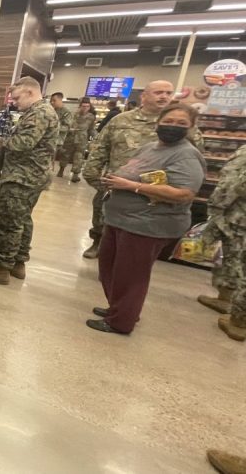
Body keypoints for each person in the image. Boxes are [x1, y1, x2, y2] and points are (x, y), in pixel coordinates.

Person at [87, 103, 205, 335]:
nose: (173, 127)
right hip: (121, 219)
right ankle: (120, 309)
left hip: (147, 224)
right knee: (110, 268)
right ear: (159, 122)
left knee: (131, 275)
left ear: (191, 127)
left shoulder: (186, 154)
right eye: (169, 121)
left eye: (182, 123)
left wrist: (133, 186)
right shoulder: (151, 147)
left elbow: (184, 193)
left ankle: (121, 321)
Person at [82, 81, 203, 259]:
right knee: (103, 216)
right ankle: (98, 241)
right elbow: (101, 148)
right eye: (158, 92)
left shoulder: (180, 126)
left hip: (155, 196)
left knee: (135, 253)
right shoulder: (121, 120)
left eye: (168, 93)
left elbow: (193, 161)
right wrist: (95, 179)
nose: (164, 96)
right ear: (144, 96)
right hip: (116, 184)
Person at [0, 76, 59, 285]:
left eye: (16, 98)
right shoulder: (38, 112)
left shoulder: (40, 113)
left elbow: (24, 142)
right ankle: (18, 263)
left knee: (8, 221)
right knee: (22, 220)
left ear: (30, 92)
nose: (13, 102)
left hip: (23, 176)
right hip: (30, 175)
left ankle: (1, 267)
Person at [201, 144, 246, 341]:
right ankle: (225, 298)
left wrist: (215, 209)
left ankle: (238, 321)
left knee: (238, 264)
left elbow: (233, 185)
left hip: (239, 218)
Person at [58, 97, 96, 182]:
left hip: (82, 139)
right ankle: (61, 169)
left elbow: (91, 129)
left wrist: (95, 138)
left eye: (87, 106)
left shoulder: (91, 117)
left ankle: (75, 174)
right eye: (83, 106)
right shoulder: (72, 114)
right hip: (70, 137)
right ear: (80, 106)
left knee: (79, 157)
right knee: (65, 154)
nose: (85, 108)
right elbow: (65, 125)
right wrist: (68, 130)